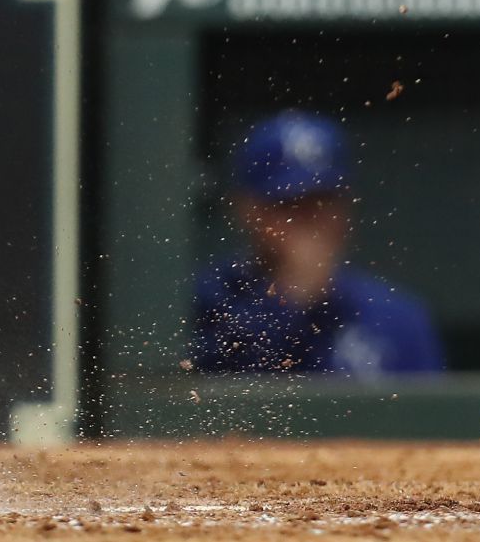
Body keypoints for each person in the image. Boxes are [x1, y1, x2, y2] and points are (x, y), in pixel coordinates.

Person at [190, 111, 444, 377]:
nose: (308, 222)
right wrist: (294, 300)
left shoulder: (397, 319)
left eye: (322, 202)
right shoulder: (206, 304)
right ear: (247, 209)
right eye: (288, 204)